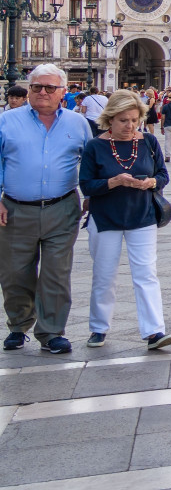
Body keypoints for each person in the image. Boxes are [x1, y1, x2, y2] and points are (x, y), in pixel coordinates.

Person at [0, 64, 94, 354]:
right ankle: (18, 325)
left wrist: (91, 194)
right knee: (16, 273)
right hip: (14, 209)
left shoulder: (77, 124)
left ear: (63, 93)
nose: (43, 92)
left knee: (56, 273)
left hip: (62, 208)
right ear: (29, 90)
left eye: (50, 88)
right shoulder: (6, 120)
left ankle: (51, 331)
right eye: (37, 87)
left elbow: (90, 161)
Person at [78, 91, 171, 351]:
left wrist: (152, 182)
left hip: (142, 215)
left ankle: (154, 331)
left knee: (146, 273)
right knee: (104, 275)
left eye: (134, 120)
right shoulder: (95, 146)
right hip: (105, 217)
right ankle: (99, 327)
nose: (129, 126)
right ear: (110, 119)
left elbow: (163, 175)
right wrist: (114, 181)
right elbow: (86, 184)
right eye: (123, 120)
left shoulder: (149, 142)